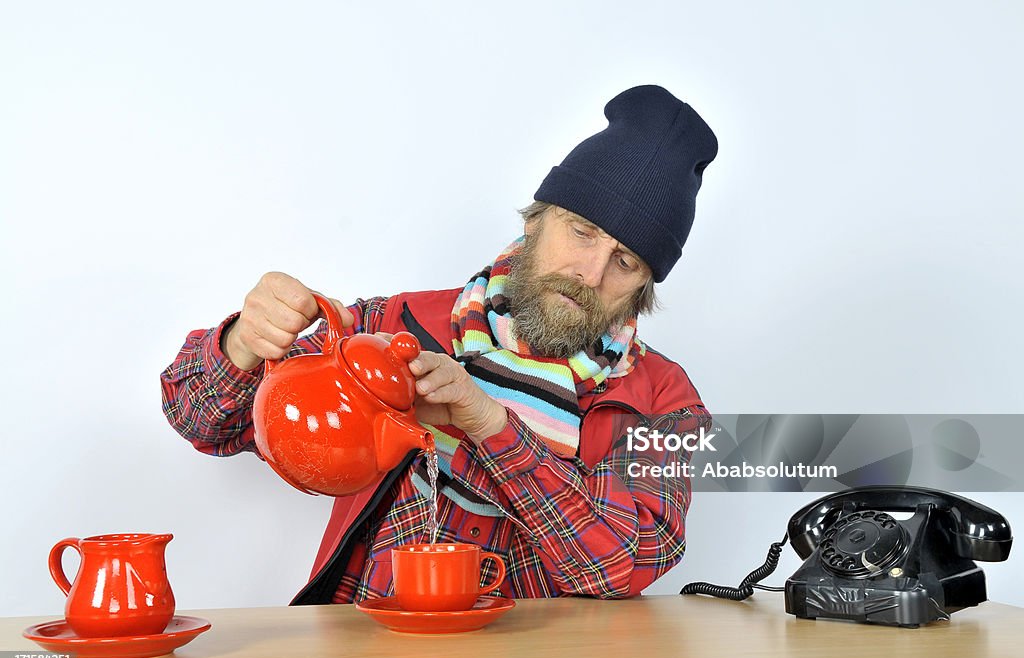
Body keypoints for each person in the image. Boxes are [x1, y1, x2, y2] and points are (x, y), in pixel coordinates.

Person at [160, 84, 719, 605]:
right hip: (368, 647)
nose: (591, 274)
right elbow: (205, 423)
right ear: (537, 221)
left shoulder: (666, 400)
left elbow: (624, 565)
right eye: (582, 231)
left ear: (644, 286)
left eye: (625, 262)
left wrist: (489, 424)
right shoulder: (400, 324)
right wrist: (244, 343)